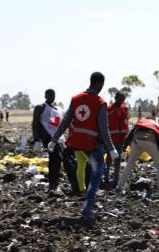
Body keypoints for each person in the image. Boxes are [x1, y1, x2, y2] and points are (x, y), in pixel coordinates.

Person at [49, 72, 118, 221]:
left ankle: (85, 196)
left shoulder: (76, 99)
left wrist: (54, 139)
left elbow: (65, 121)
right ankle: (87, 209)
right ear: (100, 83)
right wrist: (111, 148)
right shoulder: (100, 103)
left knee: (83, 167)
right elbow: (104, 128)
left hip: (77, 142)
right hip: (92, 145)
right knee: (96, 177)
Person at [32, 89, 78, 193]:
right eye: (49, 95)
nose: (52, 97)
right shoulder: (40, 107)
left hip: (59, 139)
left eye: (53, 95)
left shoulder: (57, 109)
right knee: (55, 160)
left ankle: (65, 184)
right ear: (45, 96)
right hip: (48, 139)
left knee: (64, 160)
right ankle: (53, 185)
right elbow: (35, 123)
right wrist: (36, 139)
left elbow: (60, 124)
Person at [116, 117, 159, 191]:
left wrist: (124, 147)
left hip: (136, 142)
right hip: (150, 142)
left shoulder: (140, 122)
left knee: (129, 164)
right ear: (153, 120)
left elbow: (130, 135)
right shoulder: (156, 125)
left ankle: (119, 186)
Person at [104, 91, 129, 187]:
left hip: (121, 139)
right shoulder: (108, 109)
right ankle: (105, 178)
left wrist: (126, 139)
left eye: (123, 99)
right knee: (108, 160)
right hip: (111, 140)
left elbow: (126, 123)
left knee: (118, 161)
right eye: (120, 98)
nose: (121, 100)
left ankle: (115, 181)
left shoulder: (125, 109)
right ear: (115, 97)